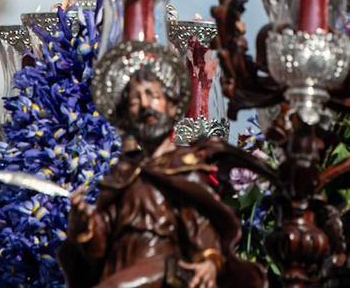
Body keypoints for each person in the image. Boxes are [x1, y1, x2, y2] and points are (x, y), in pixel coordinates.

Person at [59, 66, 263, 288]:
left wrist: (210, 261)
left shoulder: (184, 170)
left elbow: (201, 228)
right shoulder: (123, 173)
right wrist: (86, 228)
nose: (145, 104)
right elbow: (98, 252)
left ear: (173, 107)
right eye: (135, 100)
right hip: (117, 266)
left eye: (153, 95)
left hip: (159, 264)